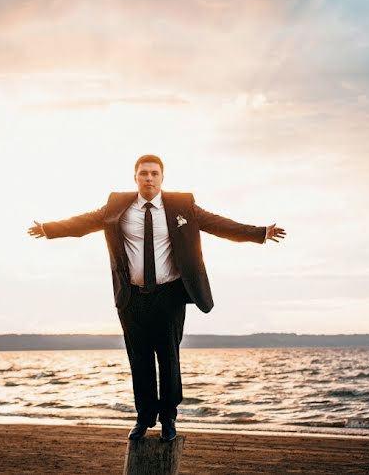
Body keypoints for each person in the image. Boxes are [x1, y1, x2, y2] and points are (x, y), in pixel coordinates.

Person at [27, 154, 285, 442]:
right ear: (135, 178)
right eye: (143, 173)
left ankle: (169, 419)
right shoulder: (117, 205)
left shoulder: (181, 205)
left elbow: (218, 224)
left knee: (168, 358)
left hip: (169, 296)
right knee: (140, 360)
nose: (148, 178)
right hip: (132, 297)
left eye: (154, 173)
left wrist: (259, 233)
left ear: (162, 178)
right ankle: (144, 417)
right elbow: (85, 222)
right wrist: (49, 229)